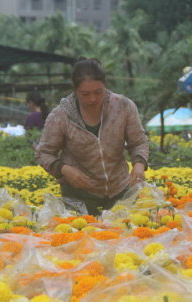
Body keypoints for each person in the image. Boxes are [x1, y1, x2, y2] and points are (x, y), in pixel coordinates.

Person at [36, 57, 149, 216]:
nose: (93, 99)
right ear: (75, 91)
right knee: (83, 238)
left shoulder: (123, 106)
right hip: (78, 194)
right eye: (85, 94)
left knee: (124, 235)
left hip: (120, 189)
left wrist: (139, 164)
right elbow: (43, 153)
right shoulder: (60, 116)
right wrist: (64, 169)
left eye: (98, 92)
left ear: (105, 85)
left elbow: (139, 141)